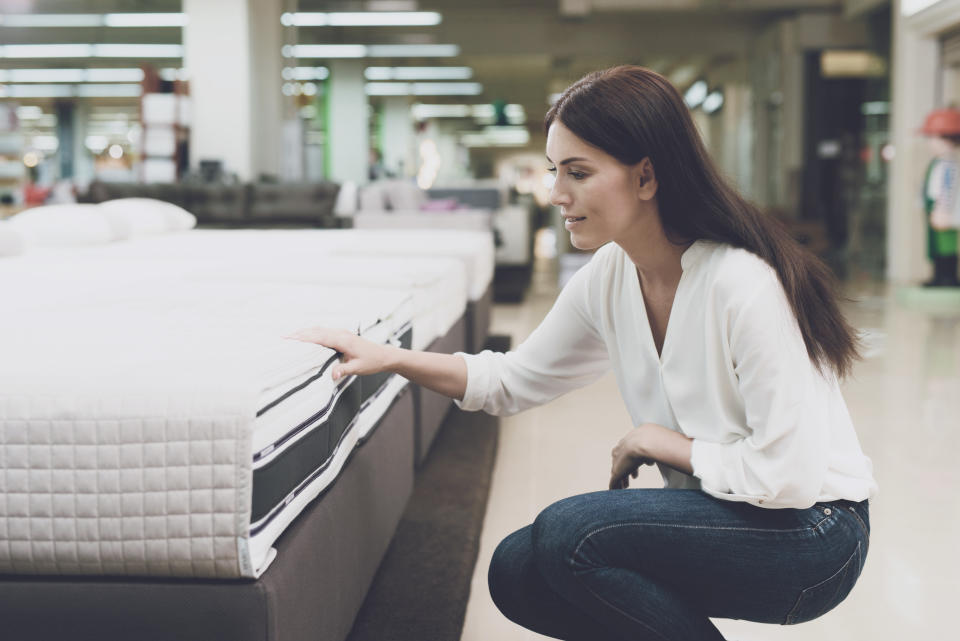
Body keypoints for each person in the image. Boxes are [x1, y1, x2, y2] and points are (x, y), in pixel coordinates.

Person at [288, 65, 877, 641]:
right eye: (553, 171)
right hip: (738, 512)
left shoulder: (741, 283)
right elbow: (513, 379)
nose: (555, 193)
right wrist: (388, 356)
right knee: (518, 571)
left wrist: (659, 441)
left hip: (814, 535)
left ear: (646, 177)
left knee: (571, 534)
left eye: (577, 172)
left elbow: (791, 479)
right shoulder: (612, 275)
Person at [920, 107, 960, 287]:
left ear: (948, 140)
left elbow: (948, 189)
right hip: (934, 208)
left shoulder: (949, 165)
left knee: (947, 245)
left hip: (943, 210)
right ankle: (939, 275)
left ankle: (948, 276)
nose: (931, 143)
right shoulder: (940, 162)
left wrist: (942, 210)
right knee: (936, 245)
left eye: (934, 138)